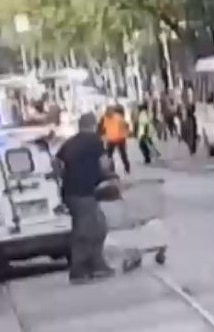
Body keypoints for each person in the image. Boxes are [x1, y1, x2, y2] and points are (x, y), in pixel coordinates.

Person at [54, 113, 115, 285]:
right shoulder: (94, 141)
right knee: (88, 230)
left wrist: (63, 175)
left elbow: (56, 162)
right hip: (83, 192)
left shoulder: (70, 142)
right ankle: (81, 269)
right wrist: (108, 175)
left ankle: (95, 264)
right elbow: (104, 164)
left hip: (70, 192)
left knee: (96, 226)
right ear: (93, 125)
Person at [100, 106, 131, 174]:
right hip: (112, 140)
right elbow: (101, 129)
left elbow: (126, 126)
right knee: (109, 156)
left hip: (119, 139)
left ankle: (127, 168)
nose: (109, 114)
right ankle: (111, 169)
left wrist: (125, 134)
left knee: (121, 155)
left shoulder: (117, 118)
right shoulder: (104, 118)